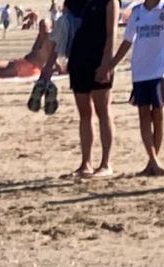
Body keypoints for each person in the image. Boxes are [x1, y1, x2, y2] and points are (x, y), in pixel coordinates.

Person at [104, 0, 164, 176]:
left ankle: (153, 161)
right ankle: (153, 160)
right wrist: (112, 64)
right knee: (144, 115)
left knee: (158, 115)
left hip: (159, 71)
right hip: (139, 71)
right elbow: (128, 41)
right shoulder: (137, 12)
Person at [33, 0, 117, 177]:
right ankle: (85, 163)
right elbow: (61, 33)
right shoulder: (72, 2)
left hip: (98, 59)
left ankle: (105, 164)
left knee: (103, 112)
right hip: (78, 59)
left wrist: (106, 64)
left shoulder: (110, 2)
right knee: (84, 114)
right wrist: (49, 65)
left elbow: (112, 35)